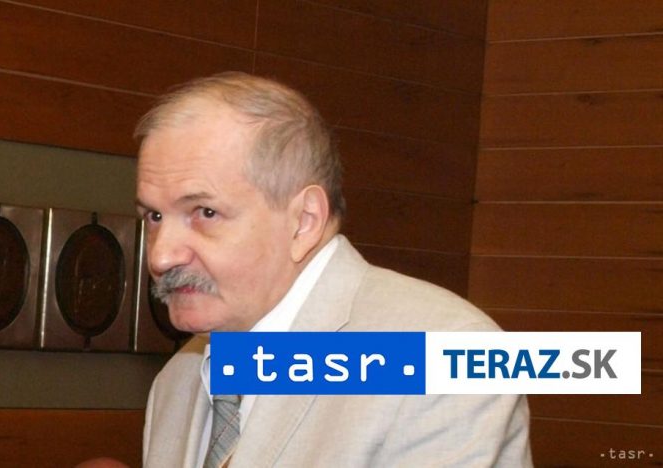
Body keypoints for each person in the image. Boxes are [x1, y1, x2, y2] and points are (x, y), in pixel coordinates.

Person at [136, 72, 532, 467]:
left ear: (304, 221)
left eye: (205, 212)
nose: (161, 257)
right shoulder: (177, 381)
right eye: (154, 216)